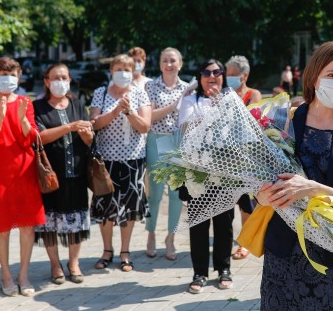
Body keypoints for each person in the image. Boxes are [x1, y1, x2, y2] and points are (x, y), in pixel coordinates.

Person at [255, 41, 333, 310]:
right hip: (283, 253)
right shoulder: (283, 120)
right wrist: (261, 196)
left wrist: (311, 188)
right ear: (315, 75)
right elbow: (258, 181)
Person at [0, 57, 46, 297]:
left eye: (13, 74)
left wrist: (24, 119)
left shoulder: (26, 102)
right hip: (0, 173)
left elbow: (31, 138)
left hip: (25, 170)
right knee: (2, 226)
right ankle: (6, 273)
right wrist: (0, 114)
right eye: (3, 74)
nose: (8, 79)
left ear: (19, 76)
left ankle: (23, 273)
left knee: (27, 226)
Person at [33, 64, 94, 284]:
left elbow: (89, 140)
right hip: (50, 173)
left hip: (76, 172)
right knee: (50, 221)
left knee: (76, 220)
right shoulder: (37, 106)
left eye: (64, 77)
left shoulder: (77, 104)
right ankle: (55, 265)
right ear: (47, 81)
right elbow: (40, 136)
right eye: (56, 77)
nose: (61, 81)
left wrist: (87, 135)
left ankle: (74, 263)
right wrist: (69, 127)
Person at [89, 54, 151, 272]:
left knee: (129, 208)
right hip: (105, 162)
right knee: (105, 206)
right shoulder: (101, 93)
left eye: (127, 69)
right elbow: (94, 124)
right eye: (119, 69)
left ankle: (125, 251)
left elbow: (144, 126)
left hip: (133, 160)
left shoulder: (140, 93)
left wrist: (129, 111)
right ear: (111, 71)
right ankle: (107, 250)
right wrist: (115, 111)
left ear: (133, 72)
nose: (123, 73)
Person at [178, 59, 235, 294]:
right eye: (206, 72)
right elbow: (189, 127)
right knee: (199, 224)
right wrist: (213, 107)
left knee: (225, 224)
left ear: (223, 75)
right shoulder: (191, 100)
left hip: (225, 170)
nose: (212, 76)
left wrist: (221, 104)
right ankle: (199, 272)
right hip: (197, 171)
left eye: (217, 72)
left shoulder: (231, 99)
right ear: (199, 77)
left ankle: (224, 269)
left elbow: (238, 129)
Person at [144, 47, 188, 260]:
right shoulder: (150, 86)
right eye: (165, 60)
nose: (169, 64)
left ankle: (170, 237)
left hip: (177, 141)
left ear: (180, 63)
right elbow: (149, 116)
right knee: (155, 191)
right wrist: (173, 106)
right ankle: (151, 233)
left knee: (176, 194)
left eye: (172, 60)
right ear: (160, 64)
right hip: (156, 139)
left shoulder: (188, 88)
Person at [225, 55, 261, 260]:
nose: (228, 78)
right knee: (231, 201)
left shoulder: (253, 94)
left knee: (247, 203)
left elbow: (251, 120)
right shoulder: (224, 94)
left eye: (232, 75)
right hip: (228, 157)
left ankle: (245, 243)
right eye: (227, 74)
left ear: (244, 75)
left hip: (249, 157)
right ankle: (231, 239)